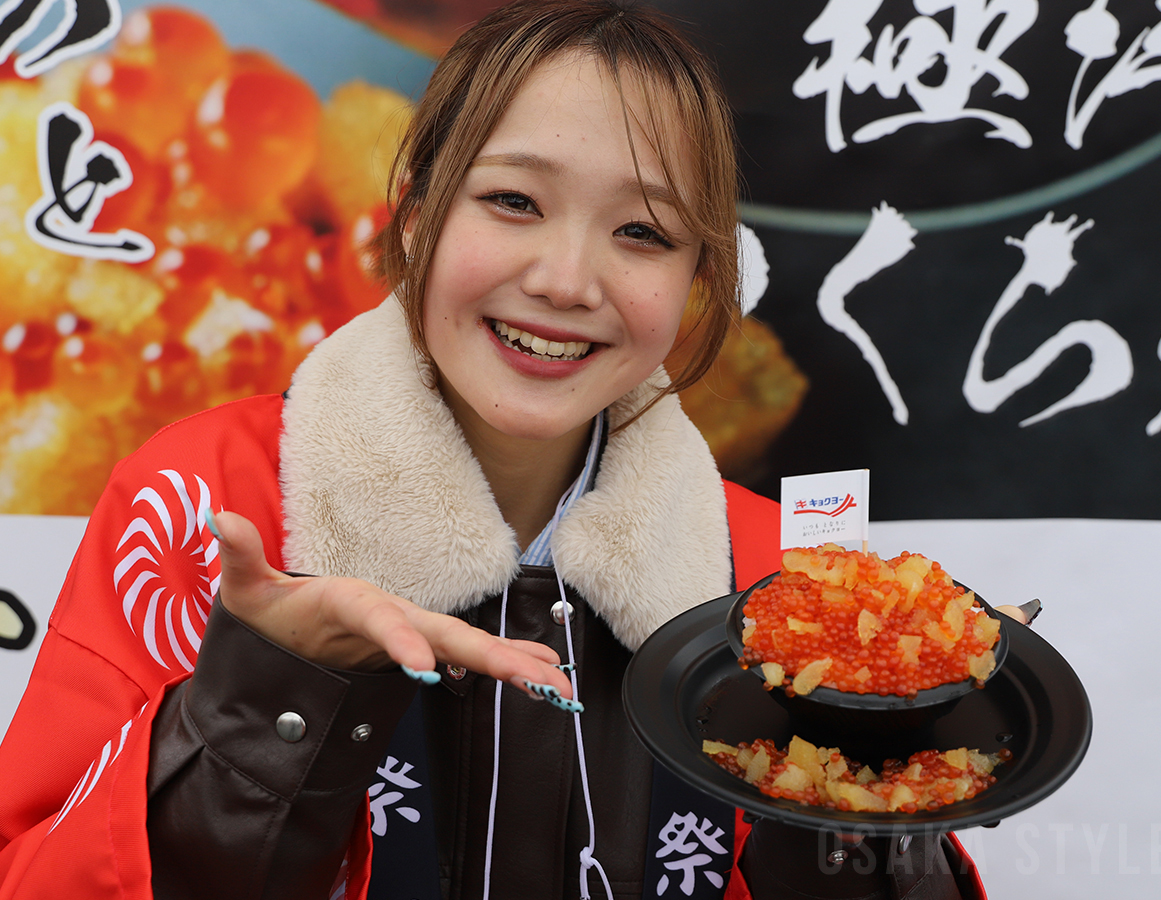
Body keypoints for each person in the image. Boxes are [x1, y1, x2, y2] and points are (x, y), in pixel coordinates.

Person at [0, 2, 990, 898]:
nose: (566, 280)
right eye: (515, 201)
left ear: (698, 277)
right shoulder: (206, 505)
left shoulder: (781, 581)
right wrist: (270, 700)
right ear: (415, 216)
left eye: (643, 232)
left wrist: (864, 804)